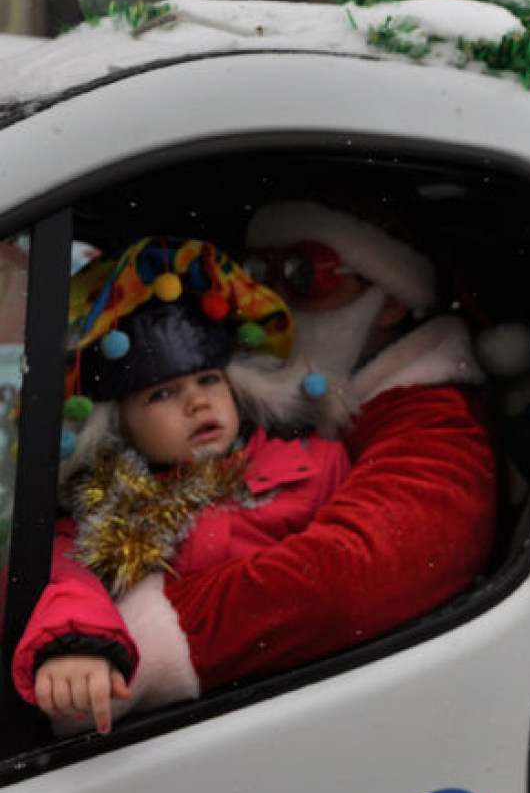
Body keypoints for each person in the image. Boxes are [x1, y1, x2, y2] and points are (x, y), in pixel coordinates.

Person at [92, 202, 498, 722]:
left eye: (305, 274)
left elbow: (347, 579)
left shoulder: (437, 423)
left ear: (391, 302)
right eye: (259, 274)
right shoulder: (282, 416)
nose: (275, 300)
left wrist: (131, 641)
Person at [12, 236, 351, 735]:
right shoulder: (100, 518)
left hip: (318, 699)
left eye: (209, 381)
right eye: (163, 394)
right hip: (195, 732)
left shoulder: (315, 468)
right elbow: (65, 582)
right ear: (118, 424)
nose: (197, 403)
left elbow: (351, 562)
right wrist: (77, 646)